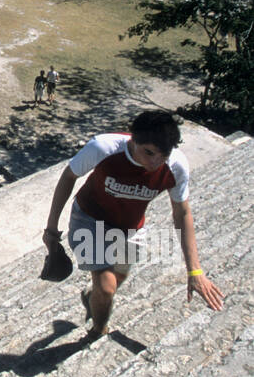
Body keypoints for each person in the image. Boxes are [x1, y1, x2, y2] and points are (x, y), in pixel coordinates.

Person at [42, 110, 223, 340]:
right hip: (88, 219)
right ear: (133, 140)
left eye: (163, 155)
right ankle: (97, 332)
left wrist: (195, 271)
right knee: (107, 287)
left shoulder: (176, 166)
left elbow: (182, 212)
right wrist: (51, 229)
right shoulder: (104, 148)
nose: (156, 161)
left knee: (116, 280)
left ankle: (92, 297)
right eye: (149, 153)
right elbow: (69, 176)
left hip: (129, 228)